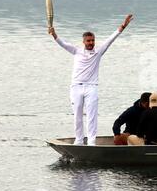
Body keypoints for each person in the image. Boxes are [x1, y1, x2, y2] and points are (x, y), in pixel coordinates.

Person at [49, 14, 133, 146]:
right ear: (83, 42)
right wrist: (54, 35)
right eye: (88, 41)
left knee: (92, 115)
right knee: (77, 114)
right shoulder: (76, 51)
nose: (91, 43)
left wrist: (123, 26)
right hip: (76, 86)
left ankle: (92, 141)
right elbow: (63, 44)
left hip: (91, 87)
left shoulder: (99, 51)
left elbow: (111, 39)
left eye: (92, 40)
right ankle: (79, 140)